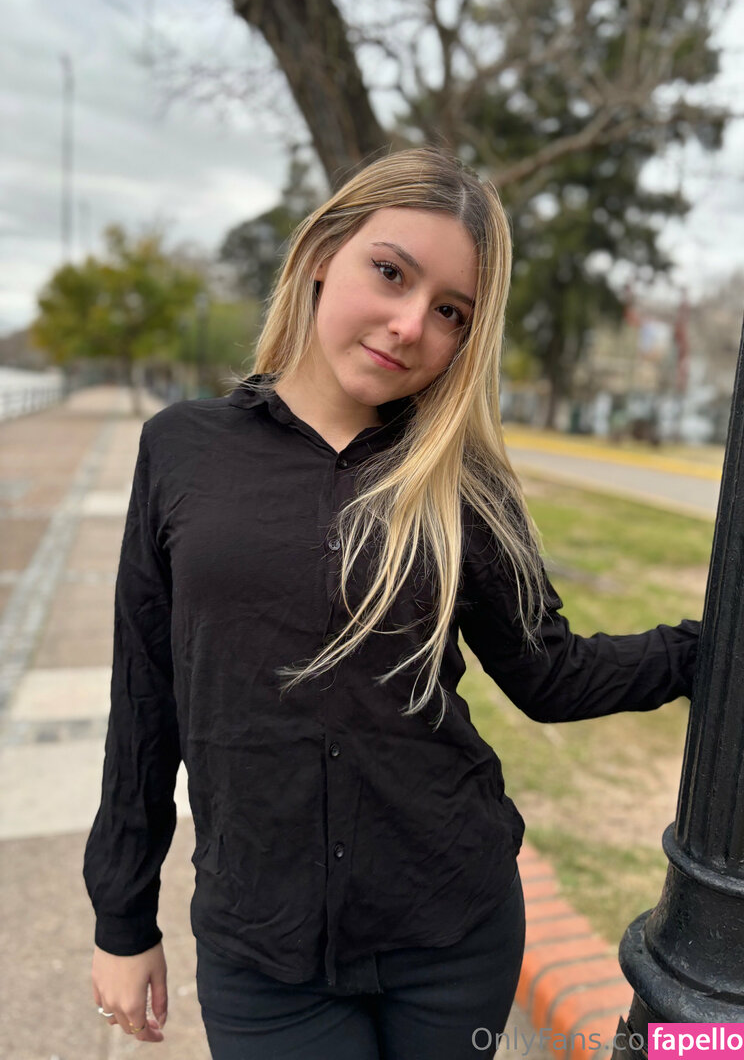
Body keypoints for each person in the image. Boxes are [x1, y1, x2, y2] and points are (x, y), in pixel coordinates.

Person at [84, 146, 701, 1059]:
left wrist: (720, 645)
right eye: (391, 273)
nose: (412, 325)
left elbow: (550, 675)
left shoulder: (463, 481)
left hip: (452, 929)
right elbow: (145, 699)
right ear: (322, 252)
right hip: (265, 953)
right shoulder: (181, 450)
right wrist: (122, 918)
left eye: (451, 311)